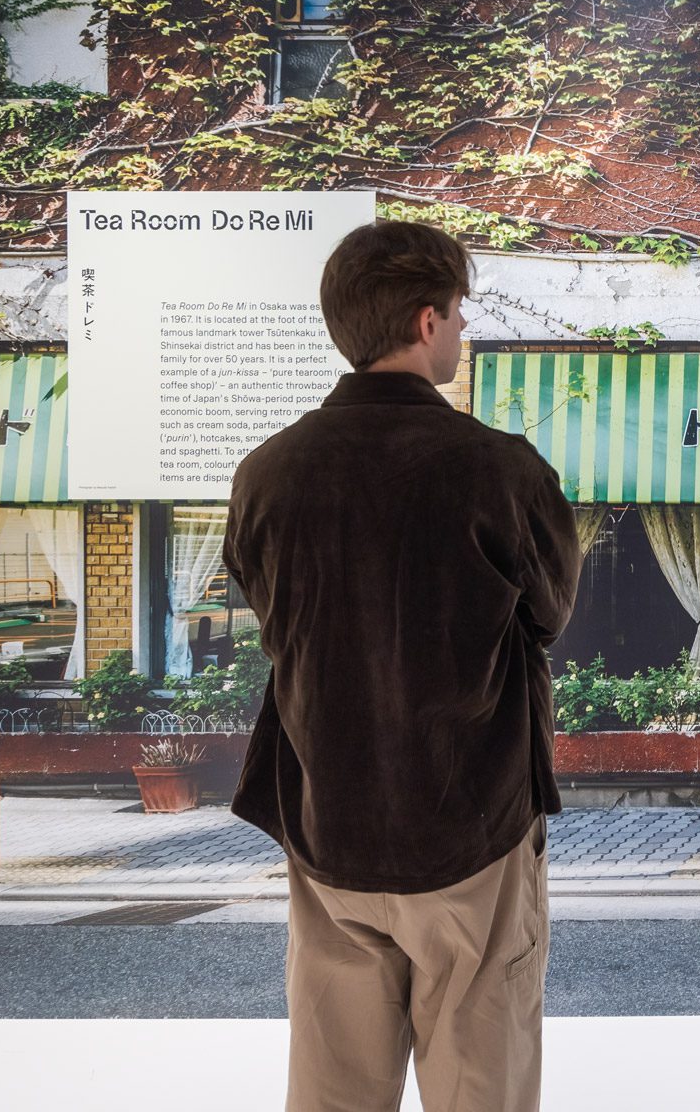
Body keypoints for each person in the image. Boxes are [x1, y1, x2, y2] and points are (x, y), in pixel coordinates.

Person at [225, 221, 581, 1112]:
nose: (461, 330)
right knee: (480, 1085)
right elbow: (549, 615)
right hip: (475, 830)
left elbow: (273, 621)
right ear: (428, 321)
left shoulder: (265, 474)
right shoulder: (499, 469)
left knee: (333, 1091)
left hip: (329, 828)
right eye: (458, 313)